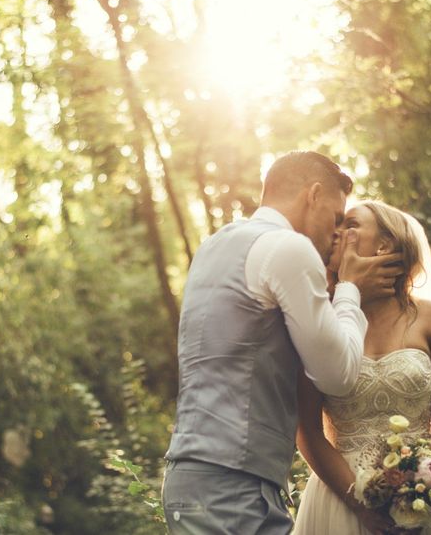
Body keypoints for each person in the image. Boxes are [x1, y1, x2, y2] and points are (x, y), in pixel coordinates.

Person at [162, 152, 404, 534]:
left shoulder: (215, 245)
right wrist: (350, 290)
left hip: (192, 477)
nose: (335, 233)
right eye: (336, 218)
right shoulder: (289, 249)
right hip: (233, 485)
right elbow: (338, 375)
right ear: (314, 196)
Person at [293, 200, 431, 535]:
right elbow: (308, 429)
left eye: (351, 225)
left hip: (424, 500)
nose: (337, 233)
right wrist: (358, 504)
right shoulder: (321, 320)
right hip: (341, 500)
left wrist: (428, 481)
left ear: (384, 244)